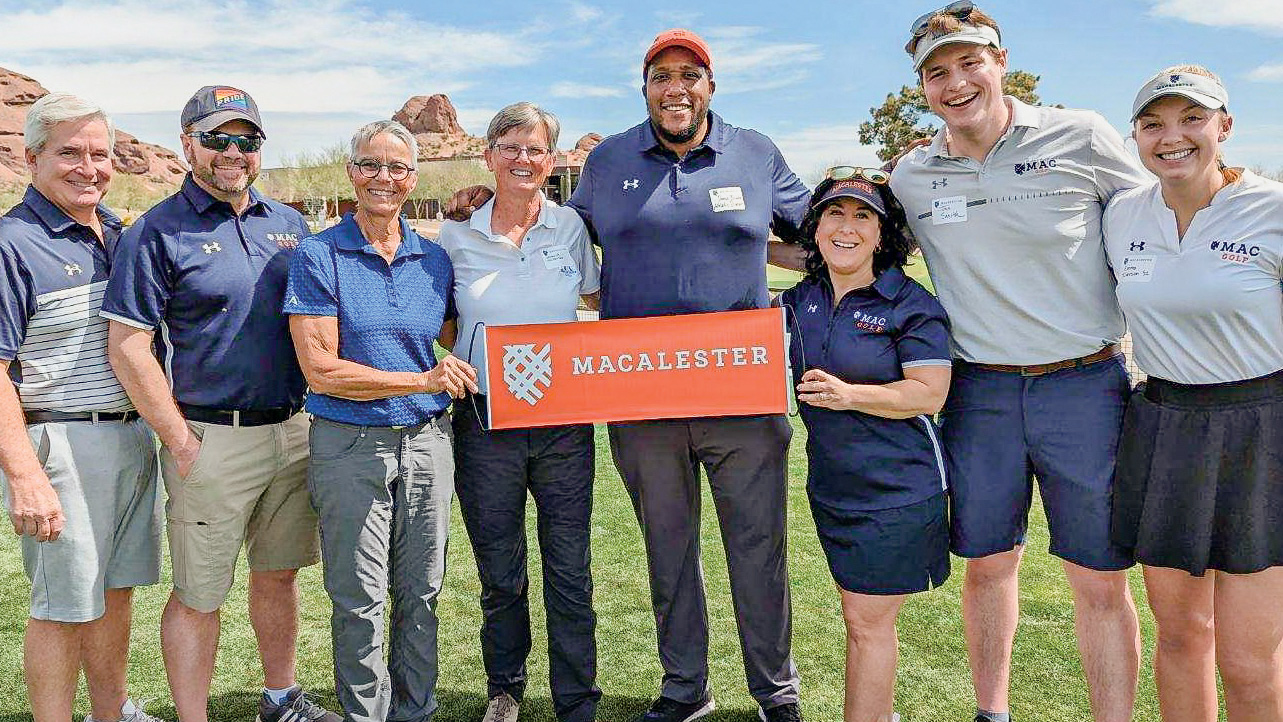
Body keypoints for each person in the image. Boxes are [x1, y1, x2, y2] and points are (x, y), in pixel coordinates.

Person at [448, 27, 810, 722]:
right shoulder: (609, 160)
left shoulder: (755, 152)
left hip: (740, 393)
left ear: (710, 85)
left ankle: (775, 692)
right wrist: (483, 198)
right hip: (641, 397)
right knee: (668, 552)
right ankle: (686, 689)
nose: (676, 89)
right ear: (644, 88)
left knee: (757, 549)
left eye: (689, 76)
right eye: (661, 77)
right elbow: (551, 223)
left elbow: (817, 228)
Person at [889, 5, 1150, 721]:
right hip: (979, 394)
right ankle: (992, 713)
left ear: (1000, 62)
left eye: (969, 62)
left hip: (1085, 386)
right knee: (988, 565)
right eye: (936, 72)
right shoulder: (912, 173)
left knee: (1099, 577)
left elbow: (1158, 218)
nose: (955, 82)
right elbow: (847, 245)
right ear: (921, 86)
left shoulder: (1081, 134)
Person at [103, 86, 338, 722]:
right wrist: (180, 441)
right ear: (188, 145)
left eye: (246, 140)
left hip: (292, 430)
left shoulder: (289, 225)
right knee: (199, 595)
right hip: (210, 438)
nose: (233, 152)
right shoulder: (156, 231)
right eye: (217, 139)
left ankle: (281, 699)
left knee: (279, 574)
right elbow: (129, 347)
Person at [283, 119, 478, 722]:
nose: (383, 178)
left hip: (427, 443)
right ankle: (366, 714)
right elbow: (321, 371)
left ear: (412, 178)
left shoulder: (434, 260)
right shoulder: (319, 255)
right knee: (359, 596)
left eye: (396, 168)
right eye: (370, 165)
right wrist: (423, 381)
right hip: (350, 445)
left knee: (422, 591)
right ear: (352, 173)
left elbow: (460, 337)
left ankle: (414, 711)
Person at [1107, 66, 1283, 722]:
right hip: (1166, 425)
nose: (1171, 137)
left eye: (1191, 119)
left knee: (1248, 660)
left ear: (1224, 127)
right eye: (1153, 124)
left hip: (1261, 430)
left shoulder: (1272, 209)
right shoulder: (1121, 213)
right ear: (1135, 137)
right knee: (1181, 639)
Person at [436, 102, 602, 722]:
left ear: (551, 159)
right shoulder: (457, 232)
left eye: (535, 149)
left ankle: (576, 698)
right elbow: (445, 321)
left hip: (563, 423)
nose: (523, 160)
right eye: (510, 148)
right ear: (488, 156)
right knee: (500, 569)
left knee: (569, 568)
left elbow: (595, 299)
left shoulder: (570, 227)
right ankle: (505, 688)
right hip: (485, 423)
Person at [0, 92, 163, 722]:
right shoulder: (14, 244)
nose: (88, 167)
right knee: (63, 605)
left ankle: (110, 711)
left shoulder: (119, 235)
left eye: (100, 154)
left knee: (115, 592)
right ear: (32, 157)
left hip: (129, 436)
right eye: (70, 153)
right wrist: (25, 475)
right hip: (59, 445)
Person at [778, 169, 951, 722]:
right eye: (834, 214)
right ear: (815, 228)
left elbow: (929, 392)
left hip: (897, 490)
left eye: (862, 217)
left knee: (866, 623)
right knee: (860, 620)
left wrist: (849, 395)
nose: (846, 227)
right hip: (833, 488)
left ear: (881, 234)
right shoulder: (798, 301)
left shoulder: (909, 303)